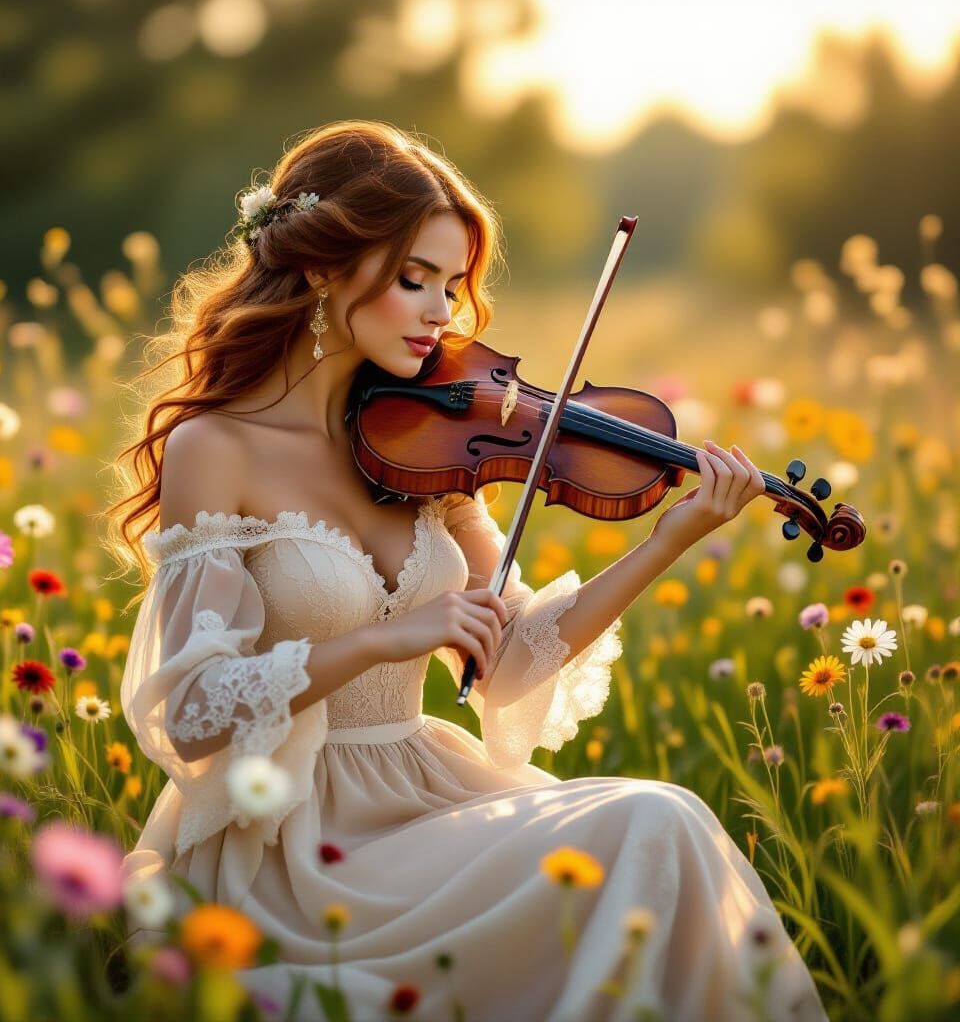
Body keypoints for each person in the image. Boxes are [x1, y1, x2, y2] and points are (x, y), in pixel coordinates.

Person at [107, 121, 828, 1021]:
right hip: (295, 841)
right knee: (652, 823)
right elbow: (198, 712)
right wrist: (387, 638)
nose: (441, 312)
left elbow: (516, 660)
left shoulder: (419, 449)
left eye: (452, 286)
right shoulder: (218, 447)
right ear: (325, 265)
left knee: (661, 820)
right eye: (413, 279)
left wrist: (664, 543)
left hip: (426, 799)